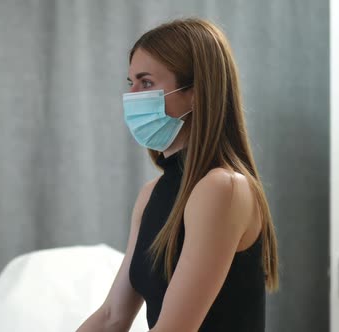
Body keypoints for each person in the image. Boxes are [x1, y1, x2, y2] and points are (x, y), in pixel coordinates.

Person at [78, 18, 278, 332]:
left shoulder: (222, 188)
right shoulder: (152, 194)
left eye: (146, 83)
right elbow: (111, 318)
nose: (132, 96)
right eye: (129, 82)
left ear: (196, 93)